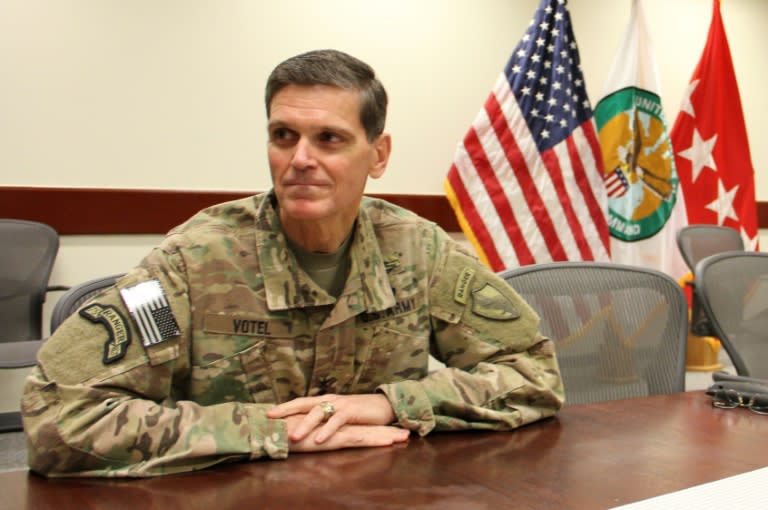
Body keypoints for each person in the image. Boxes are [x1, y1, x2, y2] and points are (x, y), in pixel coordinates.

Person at [21, 49, 564, 477]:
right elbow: (59, 419)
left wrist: (390, 404)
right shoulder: (189, 264)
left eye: (329, 139)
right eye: (284, 136)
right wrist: (273, 431)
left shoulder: (420, 252)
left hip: (386, 491)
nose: (301, 159)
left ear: (378, 155)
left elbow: (533, 374)